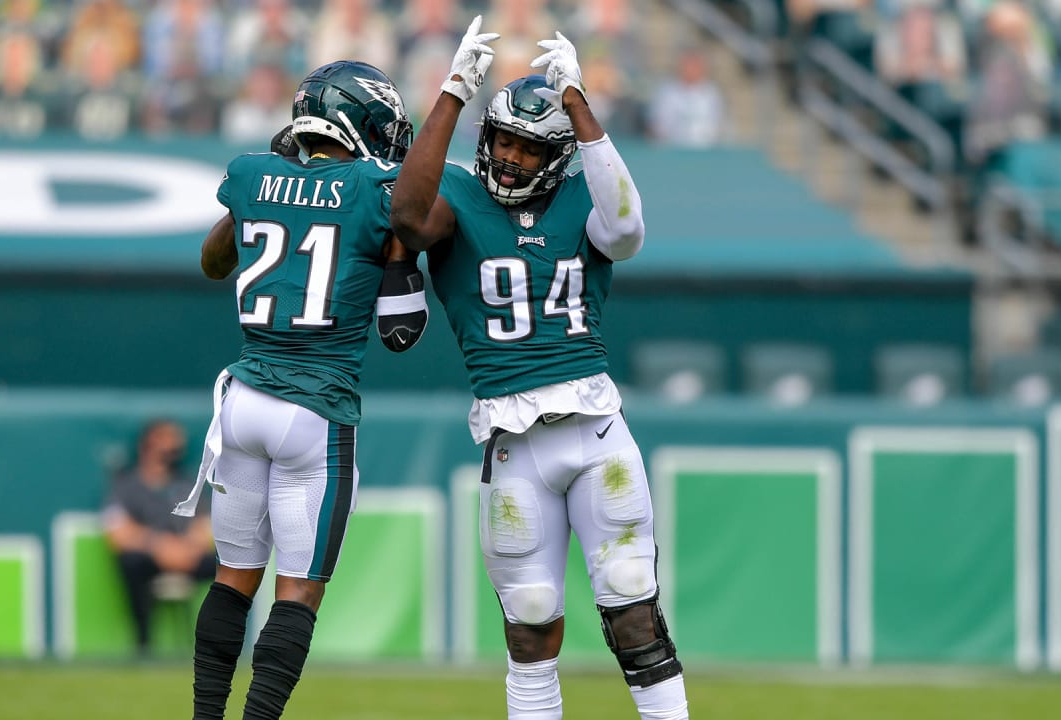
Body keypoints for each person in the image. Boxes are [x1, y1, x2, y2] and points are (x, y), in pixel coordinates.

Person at [390, 17, 689, 720]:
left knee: (632, 609)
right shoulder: (458, 197)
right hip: (511, 438)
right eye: (506, 142)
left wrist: (581, 103)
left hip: (593, 432)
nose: (514, 159)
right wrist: (453, 94)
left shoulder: (585, 197)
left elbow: (629, 230)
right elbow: (406, 215)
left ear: (558, 156)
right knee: (529, 622)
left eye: (531, 148)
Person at [174, 59, 426, 720]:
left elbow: (211, 261)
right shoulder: (377, 187)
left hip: (244, 402)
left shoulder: (254, 174)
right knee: (297, 594)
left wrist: (277, 187)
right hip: (313, 411)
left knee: (232, 580)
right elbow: (404, 327)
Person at [103, 417, 214, 657]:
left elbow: (203, 526)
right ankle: (143, 644)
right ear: (147, 444)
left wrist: (186, 549)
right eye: (165, 439)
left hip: (187, 556)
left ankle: (218, 642)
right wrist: (157, 545)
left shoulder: (187, 483)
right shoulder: (126, 484)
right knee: (131, 562)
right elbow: (117, 532)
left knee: (228, 567)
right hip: (148, 557)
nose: (172, 447)